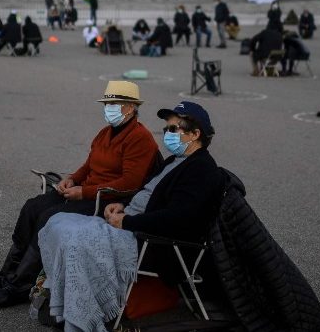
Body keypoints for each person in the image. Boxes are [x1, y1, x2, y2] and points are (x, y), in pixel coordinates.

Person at [0, 81, 160, 310]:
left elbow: (131, 182)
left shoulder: (140, 138)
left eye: (113, 104)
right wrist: (71, 179)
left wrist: (84, 192)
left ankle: (21, 283)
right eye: (106, 104)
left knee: (49, 217)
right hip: (86, 190)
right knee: (33, 206)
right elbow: (89, 165)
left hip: (106, 198)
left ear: (130, 108)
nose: (108, 108)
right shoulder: (105, 133)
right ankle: (7, 274)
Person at [36, 101, 223, 332]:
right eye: (166, 129)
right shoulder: (176, 160)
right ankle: (65, 304)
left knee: (76, 240)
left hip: (150, 241)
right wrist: (122, 205)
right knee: (57, 222)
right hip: (133, 224)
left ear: (195, 134)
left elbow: (178, 219)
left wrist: (127, 221)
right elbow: (147, 193)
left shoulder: (202, 169)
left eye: (174, 129)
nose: (167, 134)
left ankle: (83, 317)